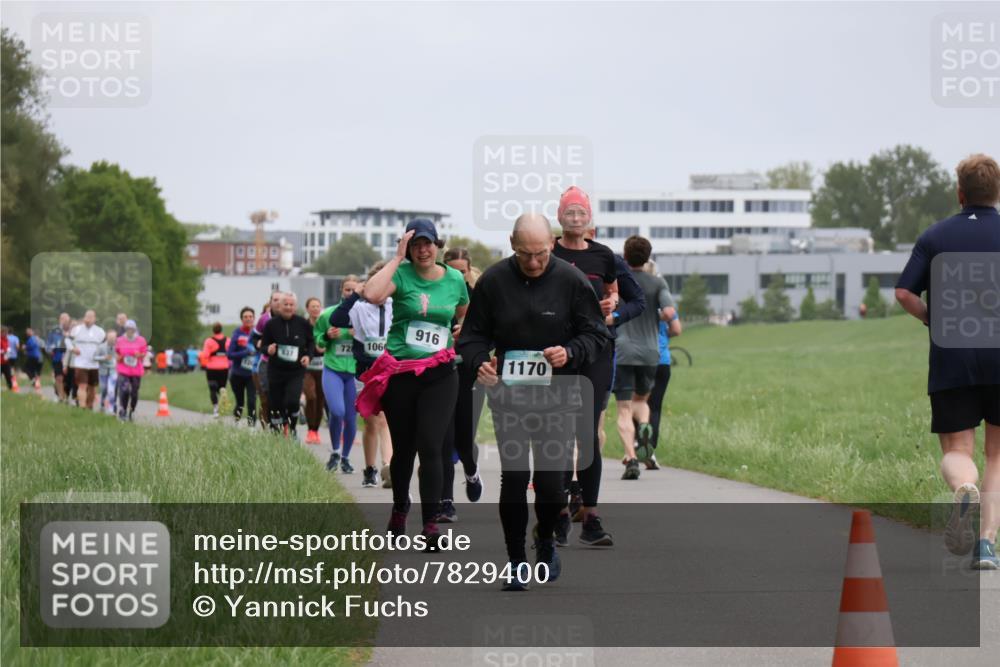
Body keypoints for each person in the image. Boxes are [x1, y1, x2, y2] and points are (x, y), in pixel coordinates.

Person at [458, 213, 610, 589]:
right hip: (509, 394)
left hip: (558, 395)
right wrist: (481, 364)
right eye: (525, 254)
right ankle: (514, 561)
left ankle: (544, 540)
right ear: (512, 244)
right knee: (514, 478)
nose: (534, 262)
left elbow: (597, 334)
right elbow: (472, 337)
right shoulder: (493, 281)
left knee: (550, 485)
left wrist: (570, 352)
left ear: (552, 244)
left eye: (541, 253)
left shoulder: (571, 281)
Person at [895, 153, 1000, 570]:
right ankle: (987, 545)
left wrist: (930, 319)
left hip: (953, 353)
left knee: (959, 448)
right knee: (997, 453)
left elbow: (904, 292)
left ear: (960, 193)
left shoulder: (935, 237)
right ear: (996, 193)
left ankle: (964, 488)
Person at [357, 218, 469, 549]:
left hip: (440, 372)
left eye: (428, 243)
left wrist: (462, 329)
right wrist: (396, 259)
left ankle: (431, 523)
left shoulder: (454, 279)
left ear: (438, 246)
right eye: (416, 244)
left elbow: (464, 311)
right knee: (404, 448)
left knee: (432, 445)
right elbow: (372, 294)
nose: (423, 250)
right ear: (408, 247)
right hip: (402, 372)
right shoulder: (402, 274)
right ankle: (400, 507)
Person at [551, 186, 623, 546]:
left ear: (589, 218)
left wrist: (611, 304)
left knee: (588, 434)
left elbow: (614, 291)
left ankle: (590, 517)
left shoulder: (603, 255)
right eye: (570, 213)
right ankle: (561, 514)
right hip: (559, 350)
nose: (576, 219)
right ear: (559, 217)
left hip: (596, 349)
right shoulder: (548, 252)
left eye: (581, 213)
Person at [613, 236, 675, 480]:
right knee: (642, 402)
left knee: (624, 409)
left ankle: (631, 458)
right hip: (651, 353)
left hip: (624, 350)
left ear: (625, 256)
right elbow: (669, 312)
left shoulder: (619, 282)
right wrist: (654, 315)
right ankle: (645, 433)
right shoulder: (657, 283)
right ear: (648, 257)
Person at [439, 246, 487, 521]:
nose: (458, 275)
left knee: (464, 439)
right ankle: (447, 502)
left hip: (469, 373)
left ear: (469, 272)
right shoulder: (438, 293)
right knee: (443, 439)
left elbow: (492, 334)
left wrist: (468, 333)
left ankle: (471, 471)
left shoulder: (480, 296)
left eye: (463, 271)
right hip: (441, 372)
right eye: (453, 270)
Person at [345, 264, 395, 488]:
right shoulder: (359, 308)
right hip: (365, 370)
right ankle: (369, 468)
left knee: (385, 419)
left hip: (389, 367)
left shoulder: (397, 305)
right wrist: (355, 293)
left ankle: (388, 466)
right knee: (371, 422)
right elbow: (337, 318)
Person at [314, 279, 359, 470]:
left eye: (354, 290)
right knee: (337, 411)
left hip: (355, 372)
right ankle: (334, 451)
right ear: (342, 290)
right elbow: (318, 341)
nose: (350, 292)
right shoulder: (329, 314)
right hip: (333, 369)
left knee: (351, 417)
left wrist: (358, 333)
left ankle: (346, 458)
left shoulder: (363, 313)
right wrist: (326, 336)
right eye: (347, 289)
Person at [260, 292, 314, 435]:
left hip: (295, 371)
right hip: (276, 371)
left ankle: (291, 427)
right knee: (276, 403)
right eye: (285, 304)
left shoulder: (302, 323)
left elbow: (311, 343)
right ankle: (276, 432)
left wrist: (308, 356)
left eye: (291, 305)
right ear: (279, 306)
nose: (288, 307)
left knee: (292, 400)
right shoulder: (271, 324)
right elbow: (263, 346)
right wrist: (268, 349)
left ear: (295, 307)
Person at [645, 303, 682, 470]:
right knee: (655, 407)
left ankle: (634, 446)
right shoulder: (667, 307)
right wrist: (663, 336)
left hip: (639, 358)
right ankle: (650, 449)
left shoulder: (637, 301)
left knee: (635, 403)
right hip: (662, 360)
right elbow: (676, 329)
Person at [254, 291, 283, 429]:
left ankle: (284, 424)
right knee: (267, 396)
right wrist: (258, 344)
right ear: (270, 302)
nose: (278, 302)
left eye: (280, 300)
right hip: (266, 362)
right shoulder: (263, 319)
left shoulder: (290, 318)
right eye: (275, 300)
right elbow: (255, 336)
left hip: (285, 363)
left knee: (283, 395)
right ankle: (269, 425)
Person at [68, 310, 106, 410]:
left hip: (94, 364)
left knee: (92, 387)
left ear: (94, 319)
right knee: (82, 386)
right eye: (86, 317)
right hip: (80, 363)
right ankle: (82, 407)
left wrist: (103, 356)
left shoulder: (100, 332)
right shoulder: (76, 330)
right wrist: (72, 348)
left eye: (90, 317)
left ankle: (89, 406)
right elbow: (67, 340)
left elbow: (105, 346)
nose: (88, 319)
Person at [303, 297, 328, 445]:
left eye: (318, 306)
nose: (315, 309)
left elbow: (331, 341)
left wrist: (325, 347)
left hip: (323, 367)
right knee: (310, 396)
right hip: (307, 368)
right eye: (312, 306)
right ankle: (309, 428)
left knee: (319, 399)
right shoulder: (304, 326)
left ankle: (315, 431)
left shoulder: (325, 325)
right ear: (307, 309)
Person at [227, 307, 258, 425]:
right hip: (237, 374)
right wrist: (245, 353)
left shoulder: (257, 333)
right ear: (242, 319)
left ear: (254, 318)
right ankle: (236, 422)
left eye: (250, 317)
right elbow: (230, 354)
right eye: (245, 317)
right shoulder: (237, 333)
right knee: (240, 403)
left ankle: (252, 427)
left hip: (252, 374)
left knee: (252, 401)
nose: (248, 319)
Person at [115, 320, 147, 421]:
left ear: (135, 329)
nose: (130, 331)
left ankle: (131, 410)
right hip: (123, 369)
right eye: (128, 329)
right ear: (125, 329)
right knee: (124, 390)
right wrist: (118, 357)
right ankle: (123, 410)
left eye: (132, 329)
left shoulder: (141, 340)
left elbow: (144, 353)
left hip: (136, 370)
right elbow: (115, 352)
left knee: (134, 393)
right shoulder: (119, 340)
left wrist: (139, 355)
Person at [200, 323, 231, 418]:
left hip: (212, 368)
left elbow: (205, 355)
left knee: (212, 389)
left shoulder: (209, 341)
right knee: (222, 388)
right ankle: (223, 406)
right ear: (221, 330)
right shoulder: (228, 340)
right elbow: (230, 353)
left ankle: (216, 409)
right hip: (224, 368)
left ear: (213, 330)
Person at [44, 313, 71, 402]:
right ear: (60, 320)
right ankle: (61, 397)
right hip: (57, 357)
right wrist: (50, 349)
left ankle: (65, 395)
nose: (65, 322)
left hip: (70, 359)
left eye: (67, 320)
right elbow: (47, 343)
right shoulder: (54, 331)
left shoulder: (73, 330)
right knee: (59, 378)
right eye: (63, 319)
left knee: (68, 380)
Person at [95, 330, 118, 414]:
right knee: (104, 388)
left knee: (111, 390)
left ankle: (112, 407)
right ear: (107, 337)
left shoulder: (118, 347)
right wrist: (103, 358)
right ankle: (102, 402)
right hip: (103, 371)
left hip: (113, 371)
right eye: (110, 337)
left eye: (113, 338)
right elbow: (94, 357)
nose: (112, 339)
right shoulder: (101, 347)